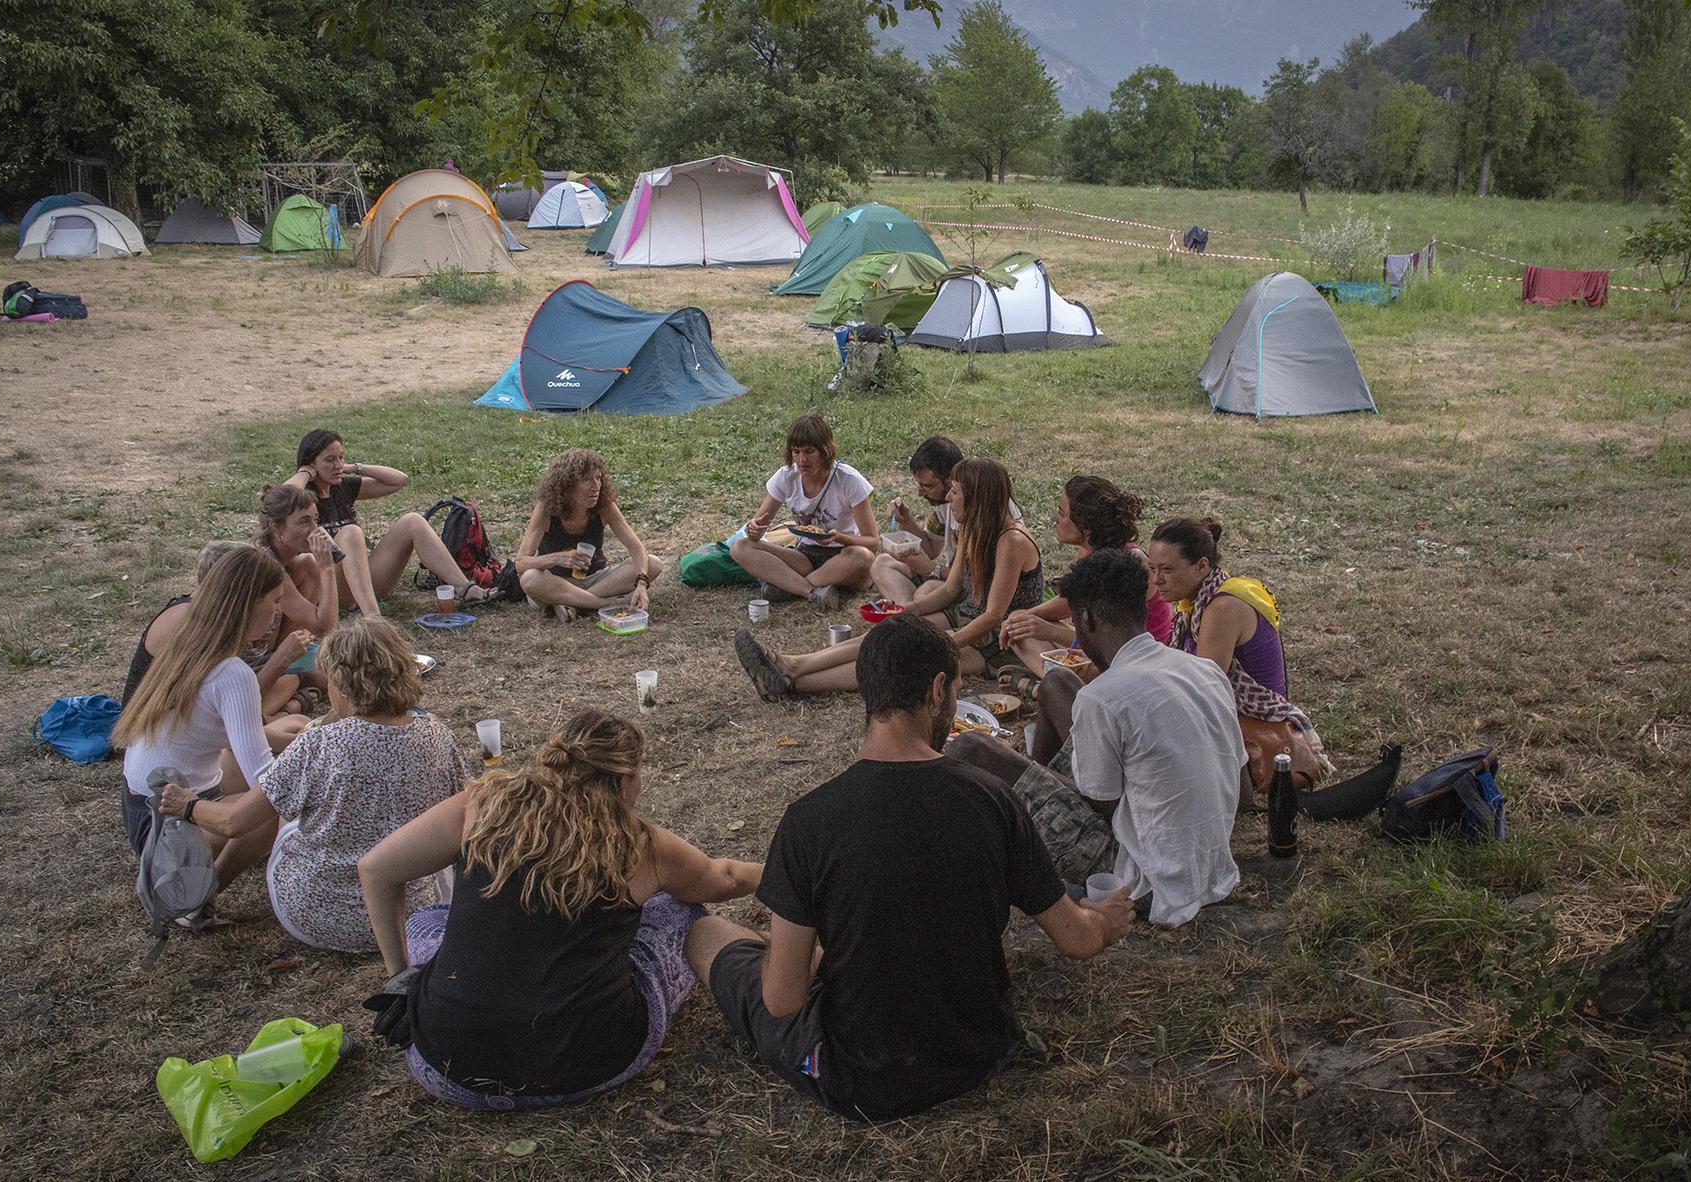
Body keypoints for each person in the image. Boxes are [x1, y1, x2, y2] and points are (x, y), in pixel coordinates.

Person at [685, 615, 1134, 1122]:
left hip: (863, 1079)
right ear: (939, 690)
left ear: (865, 691)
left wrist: (787, 951)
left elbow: (783, 1000)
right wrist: (1107, 919)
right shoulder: (993, 799)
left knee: (703, 933)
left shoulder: (809, 821)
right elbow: (1078, 940)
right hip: (978, 1053)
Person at [357, 710, 762, 1109]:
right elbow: (723, 879)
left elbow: (375, 869)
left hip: (444, 1070)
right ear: (624, 780)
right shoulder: (641, 844)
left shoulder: (483, 803)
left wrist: (400, 976)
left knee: (428, 920)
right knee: (680, 908)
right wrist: (791, 869)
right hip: (597, 1064)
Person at [947, 550, 1245, 926]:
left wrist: (1021, 775)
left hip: (1147, 875)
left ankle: (992, 838)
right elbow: (1240, 779)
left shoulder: (1103, 697)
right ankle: (1027, 807)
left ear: (1085, 620)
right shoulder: (1202, 671)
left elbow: (1099, 805)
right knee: (1055, 682)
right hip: (1210, 865)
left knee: (972, 749)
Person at [152, 617, 464, 952]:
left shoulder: (318, 745)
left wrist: (187, 806)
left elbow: (235, 821)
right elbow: (463, 816)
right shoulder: (438, 738)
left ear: (340, 685)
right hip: (408, 917)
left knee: (277, 809)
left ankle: (203, 897)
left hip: (315, 914)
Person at [733, 458, 1042, 699]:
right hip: (964, 615)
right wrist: (910, 613)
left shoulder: (1010, 541)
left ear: (976, 498)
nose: (948, 497)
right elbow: (950, 590)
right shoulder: (973, 527)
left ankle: (792, 683)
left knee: (901, 663)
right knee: (891, 633)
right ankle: (790, 664)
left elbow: (993, 616)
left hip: (998, 642)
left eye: (955, 491)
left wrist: (945, 642)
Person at [113, 546, 308, 897]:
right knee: (266, 815)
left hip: (140, 806)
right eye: (275, 600)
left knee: (286, 731)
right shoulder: (232, 673)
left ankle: (184, 874)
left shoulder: (190, 642)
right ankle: (194, 897)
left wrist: (313, 743)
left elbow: (233, 737)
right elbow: (265, 780)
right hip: (165, 825)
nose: (279, 611)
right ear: (248, 604)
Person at [1145, 517, 1328, 794]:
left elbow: (1203, 690)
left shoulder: (1224, 606)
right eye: (1152, 568)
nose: (1157, 580)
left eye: (1167, 570)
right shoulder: (1198, 599)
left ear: (1202, 565)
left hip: (1256, 723)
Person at [282, 429, 492, 616]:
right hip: (327, 586)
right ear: (311, 463)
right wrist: (305, 473)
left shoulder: (342, 487)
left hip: (360, 581)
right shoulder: (303, 499)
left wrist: (353, 468)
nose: (337, 465)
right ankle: (373, 617)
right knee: (350, 533)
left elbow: (398, 480)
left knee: (412, 521)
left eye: (340, 457)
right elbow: (284, 496)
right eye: (330, 460)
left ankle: (466, 589)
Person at [997, 475, 1175, 687]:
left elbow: (1111, 640)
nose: (1055, 518)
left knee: (1029, 629)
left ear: (1086, 526)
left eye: (1062, 514)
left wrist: (1047, 630)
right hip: (1099, 644)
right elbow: (1066, 603)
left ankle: (1054, 688)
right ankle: (1057, 682)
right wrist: (1025, 618)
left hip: (1134, 661)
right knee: (1019, 625)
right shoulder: (1089, 552)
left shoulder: (1127, 564)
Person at [123, 541, 321, 723]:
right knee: (284, 704)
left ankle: (280, 714)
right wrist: (281, 659)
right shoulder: (193, 626)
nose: (278, 609)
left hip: (196, 717)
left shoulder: (214, 617)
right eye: (274, 601)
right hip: (156, 727)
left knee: (291, 677)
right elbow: (224, 707)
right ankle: (283, 713)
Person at [730, 414, 877, 605]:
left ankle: (788, 586)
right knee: (740, 546)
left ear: (825, 451)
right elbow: (756, 530)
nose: (802, 460)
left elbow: (872, 541)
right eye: (796, 451)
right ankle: (810, 591)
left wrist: (840, 537)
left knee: (863, 557)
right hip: (805, 556)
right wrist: (753, 529)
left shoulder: (849, 480)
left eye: (809, 452)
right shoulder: (786, 477)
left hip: (842, 555)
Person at [505, 448, 663, 622]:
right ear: (567, 485)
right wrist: (558, 558)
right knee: (530, 579)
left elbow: (636, 547)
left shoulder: (604, 506)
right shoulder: (546, 509)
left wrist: (641, 583)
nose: (596, 486)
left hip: (597, 580)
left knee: (653, 563)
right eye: (586, 480)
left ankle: (574, 603)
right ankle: (608, 603)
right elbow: (521, 563)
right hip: (555, 583)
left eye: (598, 478)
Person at [868, 437, 1021, 607]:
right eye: (919, 485)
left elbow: (976, 580)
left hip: (977, 590)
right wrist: (907, 522)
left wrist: (931, 569)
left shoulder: (985, 508)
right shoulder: (943, 500)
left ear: (949, 480)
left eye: (927, 486)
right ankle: (907, 614)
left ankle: (910, 616)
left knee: (926, 591)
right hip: (951, 579)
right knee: (882, 563)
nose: (920, 493)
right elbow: (931, 549)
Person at [254, 484, 341, 638]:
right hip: (250, 659)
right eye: (305, 522)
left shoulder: (285, 555)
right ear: (276, 526)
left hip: (271, 648)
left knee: (307, 563)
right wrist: (327, 568)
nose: (315, 530)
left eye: (315, 520)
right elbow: (326, 629)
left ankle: (292, 646)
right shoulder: (265, 565)